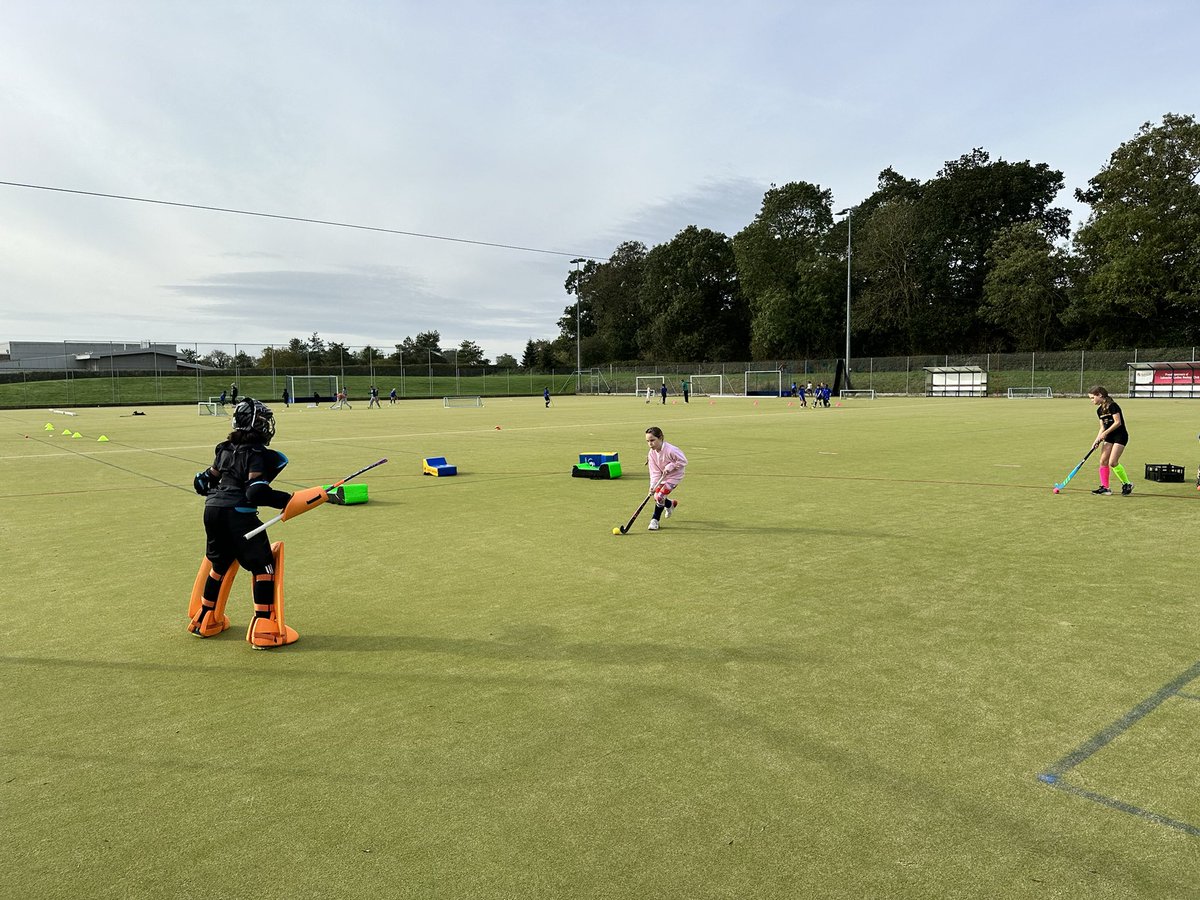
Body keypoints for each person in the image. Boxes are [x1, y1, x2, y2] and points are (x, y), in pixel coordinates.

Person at [188, 398, 327, 649]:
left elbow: (204, 482)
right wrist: (288, 500)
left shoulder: (224, 448)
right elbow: (256, 493)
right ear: (257, 424)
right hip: (238, 515)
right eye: (264, 421)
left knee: (219, 563)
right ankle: (264, 629)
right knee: (264, 567)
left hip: (212, 511)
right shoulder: (256, 454)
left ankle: (205, 619)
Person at [1088, 385, 1132, 495]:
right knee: (1103, 461)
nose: (1092, 401)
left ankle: (1127, 484)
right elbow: (1102, 427)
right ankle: (1105, 488)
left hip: (1120, 436)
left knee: (1113, 462)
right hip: (1109, 437)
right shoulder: (1099, 411)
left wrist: (1105, 433)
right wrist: (1096, 440)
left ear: (1100, 395)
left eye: (1093, 398)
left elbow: (1118, 422)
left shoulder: (1113, 406)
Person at [645, 426, 687, 531]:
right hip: (663, 477)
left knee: (660, 497)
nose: (650, 444)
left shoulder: (671, 450)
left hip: (675, 476)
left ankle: (655, 520)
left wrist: (670, 466)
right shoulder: (651, 454)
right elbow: (654, 472)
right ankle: (670, 504)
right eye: (648, 441)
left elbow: (683, 461)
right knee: (656, 496)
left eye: (652, 440)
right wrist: (653, 486)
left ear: (661, 438)